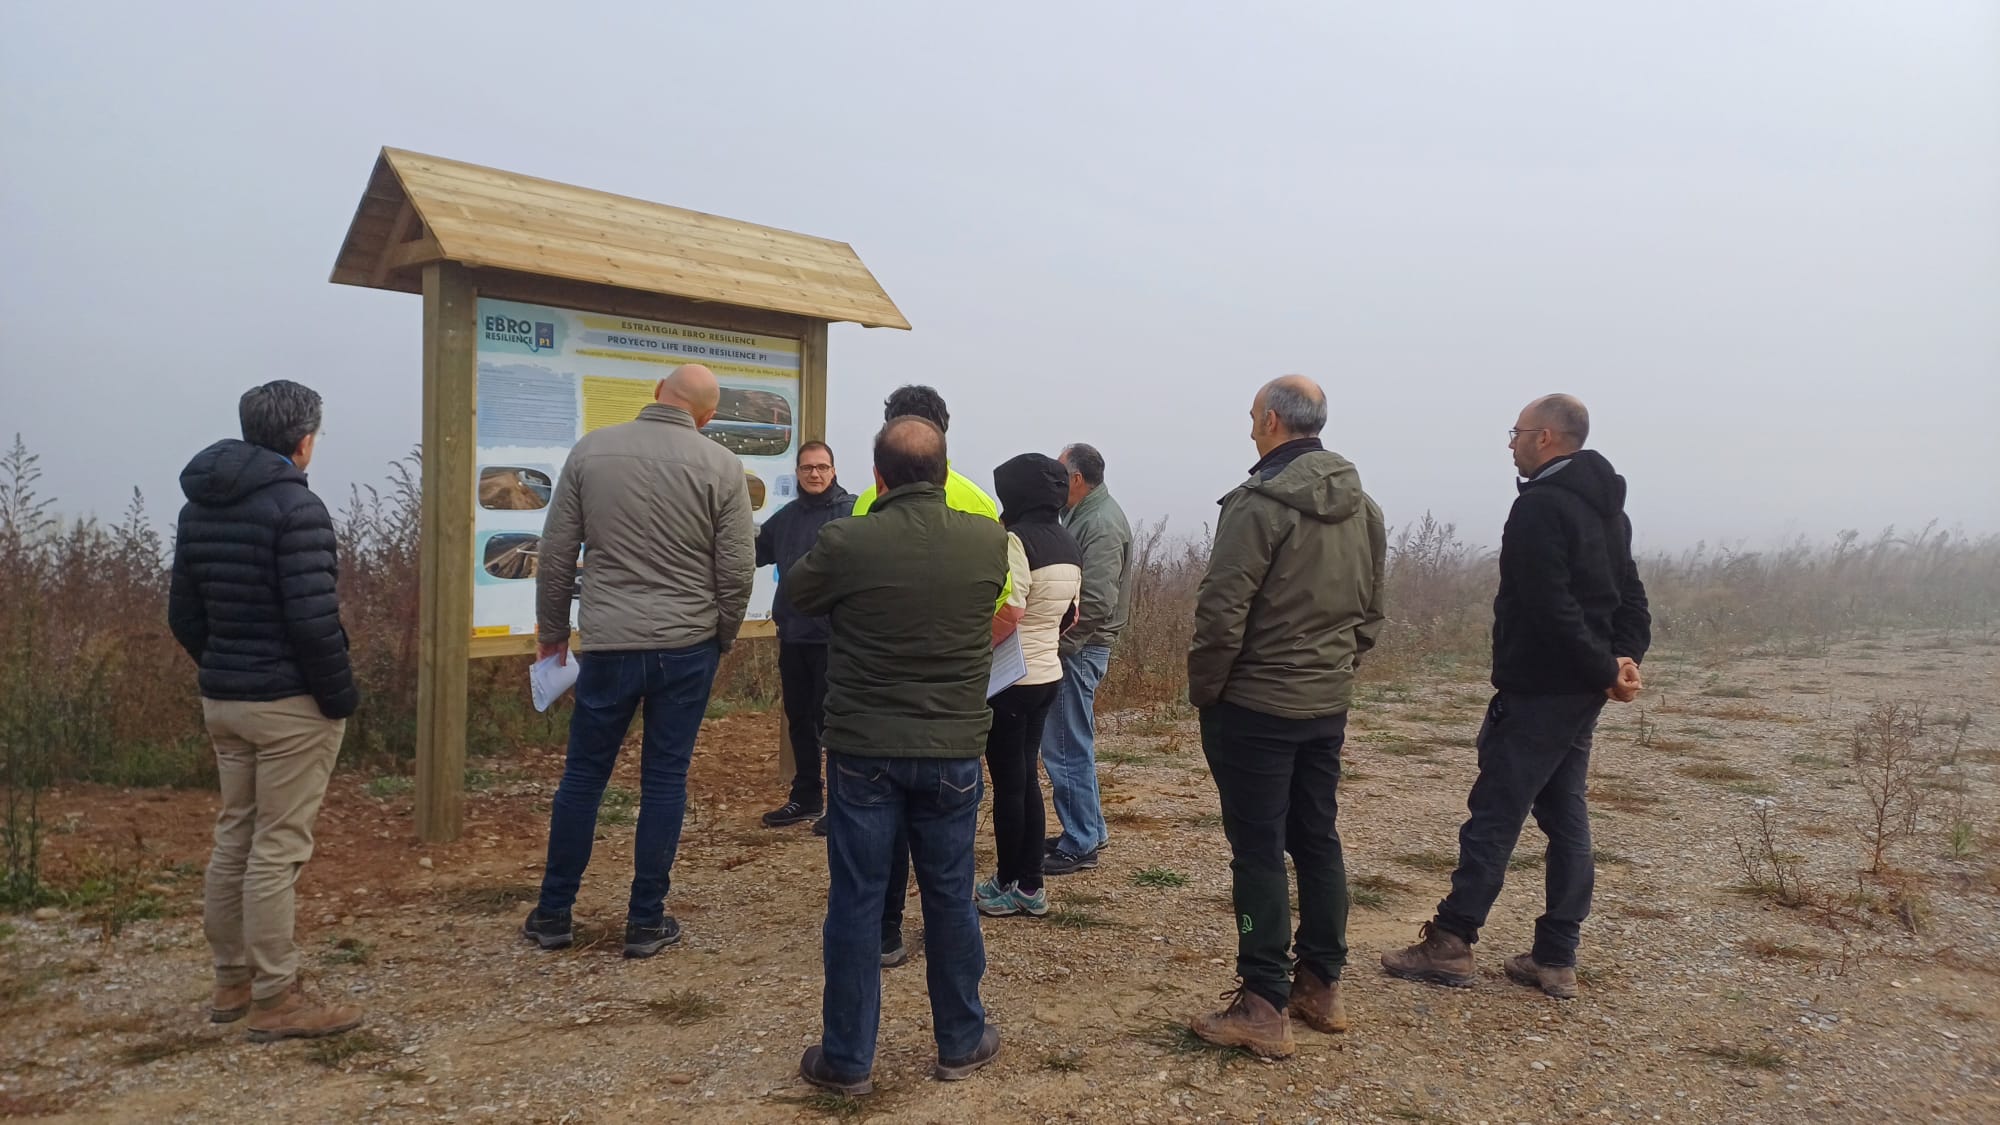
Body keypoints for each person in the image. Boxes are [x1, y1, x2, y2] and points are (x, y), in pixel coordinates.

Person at [1382, 394, 1649, 1000]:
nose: (1511, 443)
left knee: (1496, 813)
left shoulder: (1542, 508)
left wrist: (1611, 665)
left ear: (1548, 437)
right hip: (1580, 691)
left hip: (1540, 692)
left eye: (1518, 432)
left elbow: (1551, 608)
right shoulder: (1608, 508)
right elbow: (1629, 598)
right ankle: (1555, 957)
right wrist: (1618, 664)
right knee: (1565, 815)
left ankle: (1450, 942)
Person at [784, 415, 1009, 1096]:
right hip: (953, 749)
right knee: (950, 893)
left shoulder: (848, 538)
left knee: (857, 899)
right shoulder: (989, 540)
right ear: (944, 473)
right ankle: (962, 1040)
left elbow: (797, 594)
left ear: (877, 477)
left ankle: (847, 1059)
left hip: (864, 748)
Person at [520, 364, 755, 959]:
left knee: (583, 778)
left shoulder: (591, 451)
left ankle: (553, 914)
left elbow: (555, 557)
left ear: (657, 395)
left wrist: (553, 635)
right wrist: (720, 637)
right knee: (665, 781)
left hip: (608, 644)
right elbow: (735, 573)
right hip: (686, 645)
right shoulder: (723, 468)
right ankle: (646, 920)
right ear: (704, 416)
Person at [1185, 375, 1385, 1059]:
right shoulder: (1366, 508)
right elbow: (1371, 613)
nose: (1248, 427)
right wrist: (1333, 671)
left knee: (1259, 847)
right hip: (1324, 703)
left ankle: (1263, 1001)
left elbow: (1221, 613)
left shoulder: (1255, 505)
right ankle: (1319, 983)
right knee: (1317, 834)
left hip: (1255, 705)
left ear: (1271, 421)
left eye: (1250, 417)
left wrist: (1208, 691)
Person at [168, 379, 363, 1042]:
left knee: (236, 836)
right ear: (304, 439)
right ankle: (277, 995)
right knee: (277, 848)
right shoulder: (295, 508)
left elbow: (184, 614)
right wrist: (338, 698)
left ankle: (232, 982)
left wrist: (223, 666)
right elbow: (313, 622)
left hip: (225, 698)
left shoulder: (199, 506)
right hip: (287, 705)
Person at [849, 385, 1004, 967]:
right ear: (944, 435)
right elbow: (1004, 602)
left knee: (875, 845)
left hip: (877, 711)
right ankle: (957, 1005)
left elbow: (842, 599)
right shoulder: (981, 506)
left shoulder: (868, 502)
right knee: (948, 862)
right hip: (954, 710)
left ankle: (886, 934)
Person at [974, 454, 1083, 918]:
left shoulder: (1016, 540)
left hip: (1011, 680)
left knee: (1009, 784)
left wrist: (977, 646)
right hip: (1048, 676)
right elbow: (1072, 615)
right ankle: (1032, 884)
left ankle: (1006, 881)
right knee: (1027, 779)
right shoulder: (1068, 541)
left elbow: (1011, 609)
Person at [1041, 442, 1134, 875]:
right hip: (1080, 648)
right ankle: (1088, 830)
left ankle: (1079, 842)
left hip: (1078, 650)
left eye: (1060, 474)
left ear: (1076, 478)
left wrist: (1059, 647)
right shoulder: (1086, 515)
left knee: (1064, 746)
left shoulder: (1100, 522)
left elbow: (1095, 602)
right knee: (1074, 741)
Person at [756, 440, 856, 833]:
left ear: (833, 470)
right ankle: (807, 797)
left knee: (834, 724)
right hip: (794, 636)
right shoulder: (786, 518)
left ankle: (842, 804)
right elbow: (752, 551)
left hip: (836, 640)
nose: (815, 474)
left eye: (822, 467)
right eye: (807, 468)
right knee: (799, 720)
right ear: (796, 473)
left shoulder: (851, 515)